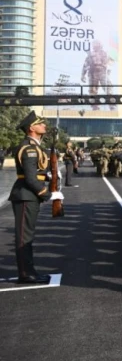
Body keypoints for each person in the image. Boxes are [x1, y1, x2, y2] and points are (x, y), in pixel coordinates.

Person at [9, 111, 64, 283]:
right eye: (40, 123)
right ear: (31, 128)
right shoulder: (29, 148)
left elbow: (36, 172)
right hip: (26, 195)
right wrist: (48, 194)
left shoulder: (35, 146)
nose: (44, 126)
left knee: (28, 236)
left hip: (29, 195)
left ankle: (29, 271)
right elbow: (30, 178)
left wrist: (48, 177)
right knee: (24, 237)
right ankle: (26, 274)